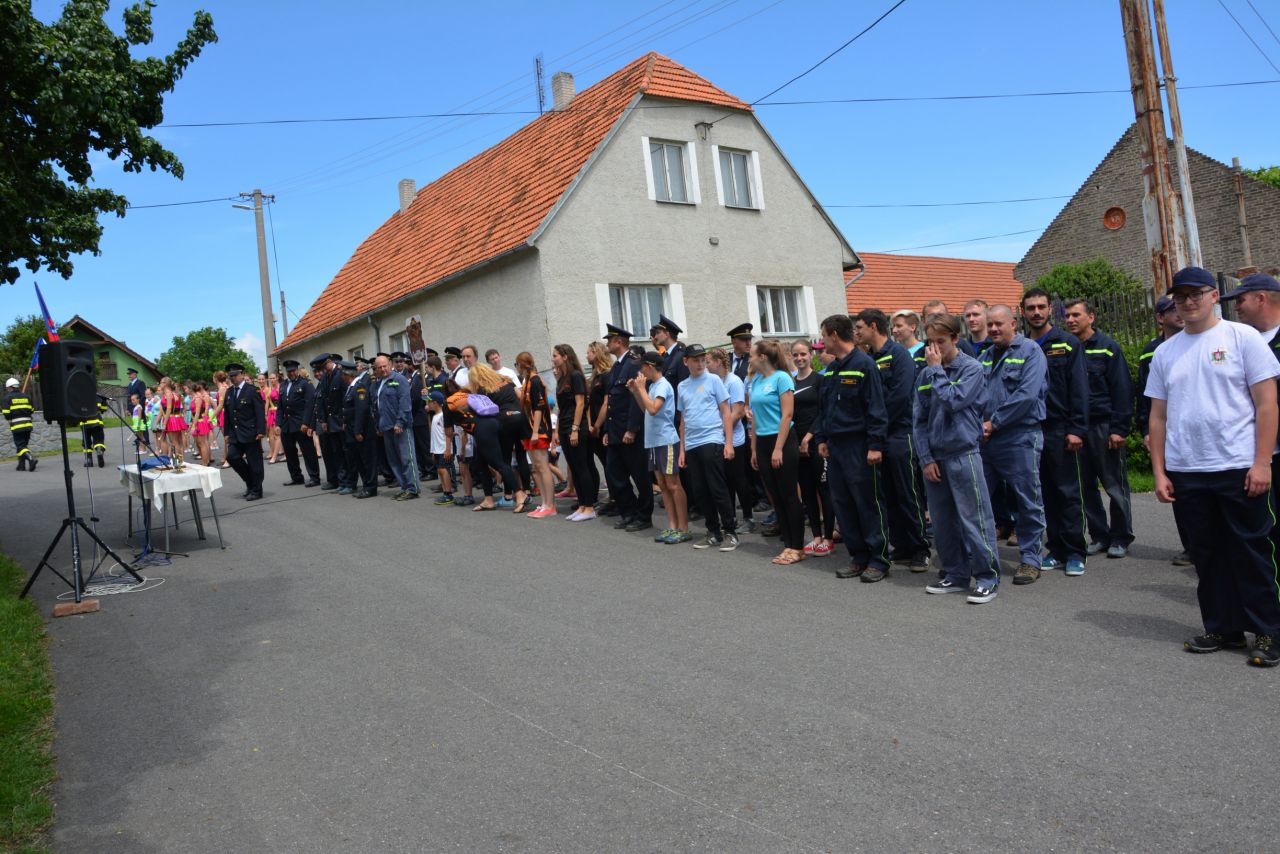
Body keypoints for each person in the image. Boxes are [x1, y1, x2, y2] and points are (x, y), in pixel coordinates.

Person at [1148, 266, 1280, 667]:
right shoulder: (1165, 352)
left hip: (1238, 466)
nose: (1188, 302)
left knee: (1252, 552)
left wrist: (1262, 463)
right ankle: (1224, 628)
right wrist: (1160, 472)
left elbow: (1267, 404)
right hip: (1188, 470)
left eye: (1196, 294)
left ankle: (1269, 631)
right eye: (1180, 296)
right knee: (1207, 555)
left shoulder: (1242, 338)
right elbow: (1158, 417)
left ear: (1213, 296)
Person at [916, 314, 1000, 604]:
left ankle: (987, 577)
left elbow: (954, 401)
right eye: (930, 342)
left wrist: (936, 370)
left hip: (963, 453)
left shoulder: (971, 368)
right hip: (935, 457)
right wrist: (926, 458)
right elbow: (919, 420)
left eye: (940, 341)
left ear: (955, 339)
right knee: (942, 522)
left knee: (974, 519)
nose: (934, 348)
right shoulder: (925, 374)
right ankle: (955, 573)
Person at [815, 315, 890, 580]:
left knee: (868, 503)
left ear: (835, 335)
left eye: (824, 336)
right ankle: (858, 557)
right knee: (843, 504)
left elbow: (877, 408)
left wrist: (875, 445)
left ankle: (878, 560)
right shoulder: (832, 370)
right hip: (836, 447)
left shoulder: (864, 365)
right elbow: (824, 409)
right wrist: (821, 438)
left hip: (860, 446)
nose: (822, 341)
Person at [1022, 287, 1090, 576]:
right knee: (1045, 492)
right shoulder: (1022, 346)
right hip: (1031, 429)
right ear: (1023, 312)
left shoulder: (1067, 343)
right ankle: (1056, 548)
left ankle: (1075, 552)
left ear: (1050, 309)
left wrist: (1077, 429)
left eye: (1041, 307)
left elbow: (1079, 389)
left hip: (1060, 429)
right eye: (1031, 308)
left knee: (1067, 491)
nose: (1036, 312)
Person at [855, 309, 930, 570]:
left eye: (860, 327)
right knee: (887, 493)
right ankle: (902, 545)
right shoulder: (868, 358)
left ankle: (920, 547)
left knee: (907, 492)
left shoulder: (898, 355)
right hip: (878, 436)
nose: (857, 332)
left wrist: (877, 423)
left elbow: (900, 396)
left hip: (899, 433)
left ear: (873, 327)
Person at [980, 305, 1049, 585]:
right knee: (980, 500)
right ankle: (983, 558)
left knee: (1027, 500)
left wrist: (993, 423)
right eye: (990, 325)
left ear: (1014, 324)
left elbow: (1026, 395)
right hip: (986, 439)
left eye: (999, 324)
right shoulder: (985, 356)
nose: (994, 329)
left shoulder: (1031, 352)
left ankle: (1031, 559)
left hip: (1020, 437)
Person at [1064, 298, 1134, 558]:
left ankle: (1121, 537)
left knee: (1114, 485)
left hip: (1103, 426)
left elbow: (1123, 390)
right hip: (1077, 428)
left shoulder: (1108, 348)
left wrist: (1119, 428)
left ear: (1091, 317)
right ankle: (1099, 535)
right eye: (1067, 316)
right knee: (1085, 487)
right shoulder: (1066, 348)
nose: (1070, 320)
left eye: (1076, 315)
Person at [1220, 272, 1280, 562]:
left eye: (1241, 300)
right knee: (1265, 527)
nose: (1236, 307)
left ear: (1261, 298)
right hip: (1254, 451)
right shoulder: (1240, 341)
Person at [748, 340, 805, 565]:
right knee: (776, 497)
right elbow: (755, 417)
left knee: (789, 495)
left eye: (752, 355)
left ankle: (797, 547)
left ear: (762, 357)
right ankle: (787, 545)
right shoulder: (756, 380)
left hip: (782, 440)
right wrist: (754, 448)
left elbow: (787, 414)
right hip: (762, 441)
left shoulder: (782, 378)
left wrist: (778, 448)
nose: (750, 358)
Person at [677, 344, 738, 551]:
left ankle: (730, 532)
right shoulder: (682, 386)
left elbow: (726, 411)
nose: (700, 363)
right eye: (695, 360)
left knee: (717, 488)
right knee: (700, 491)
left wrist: (728, 443)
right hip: (692, 444)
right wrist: (682, 450)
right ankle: (713, 532)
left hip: (712, 439)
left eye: (703, 359)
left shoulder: (713, 380)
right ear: (686, 361)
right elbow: (683, 420)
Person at [630, 350, 689, 543]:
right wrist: (636, 392)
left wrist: (641, 389)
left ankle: (683, 528)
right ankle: (672, 526)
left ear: (650, 367)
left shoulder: (663, 385)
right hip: (654, 441)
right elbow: (645, 409)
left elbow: (654, 409)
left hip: (666, 440)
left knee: (673, 484)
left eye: (642, 367)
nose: (640, 371)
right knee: (663, 485)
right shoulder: (653, 385)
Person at [602, 324, 652, 532]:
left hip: (630, 432)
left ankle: (644, 516)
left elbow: (635, 399)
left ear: (619, 342)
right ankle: (629, 512)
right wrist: (607, 430)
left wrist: (632, 429)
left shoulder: (633, 364)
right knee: (615, 474)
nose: (607, 344)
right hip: (615, 431)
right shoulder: (617, 366)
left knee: (640, 476)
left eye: (609, 340)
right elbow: (612, 401)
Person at [791, 340, 834, 557]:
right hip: (796, 444)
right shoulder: (790, 382)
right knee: (807, 491)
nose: (799, 358)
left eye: (803, 354)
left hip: (817, 442)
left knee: (824, 490)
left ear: (810, 355)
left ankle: (828, 537)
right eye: (796, 355)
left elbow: (823, 412)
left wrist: (809, 437)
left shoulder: (819, 380)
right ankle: (816, 536)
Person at [471, 363, 532, 508]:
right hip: (520, 417)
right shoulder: (506, 380)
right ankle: (527, 490)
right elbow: (521, 397)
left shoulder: (483, 389)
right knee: (522, 456)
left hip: (505, 420)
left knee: (505, 458)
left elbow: (485, 410)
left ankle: (509, 495)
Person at [448, 387, 518, 512]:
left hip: (482, 429)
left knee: (498, 464)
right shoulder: (476, 396)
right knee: (482, 464)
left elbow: (449, 432)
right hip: (494, 424)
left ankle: (520, 494)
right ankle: (488, 500)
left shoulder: (451, 403)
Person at [708, 348, 755, 533]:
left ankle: (748, 517)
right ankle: (731, 517)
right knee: (725, 480)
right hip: (717, 438)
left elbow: (738, 411)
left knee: (739, 479)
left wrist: (721, 430)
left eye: (708, 361)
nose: (706, 365)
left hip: (734, 439)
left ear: (718, 362)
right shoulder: (712, 381)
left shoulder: (733, 381)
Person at [554, 344, 598, 521]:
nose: (553, 359)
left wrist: (575, 429)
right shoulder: (562, 378)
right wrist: (557, 431)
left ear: (565, 356)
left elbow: (580, 403)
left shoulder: (575, 376)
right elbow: (561, 408)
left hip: (576, 427)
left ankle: (589, 507)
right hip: (564, 426)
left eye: (555, 355)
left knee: (582, 466)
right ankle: (581, 505)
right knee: (573, 466)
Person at [515, 352, 558, 518]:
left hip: (538, 431)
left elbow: (539, 408)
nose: (517, 368)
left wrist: (535, 432)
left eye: (517, 364)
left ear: (523, 364)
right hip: (528, 430)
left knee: (543, 466)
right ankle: (544, 503)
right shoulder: (527, 382)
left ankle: (550, 505)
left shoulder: (535, 381)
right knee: (536, 468)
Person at [372, 354, 418, 500]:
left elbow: (405, 403)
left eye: (385, 366)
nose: (383, 369)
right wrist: (378, 426)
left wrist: (400, 422)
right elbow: (376, 406)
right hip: (386, 427)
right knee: (394, 460)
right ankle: (404, 487)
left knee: (406, 458)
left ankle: (412, 488)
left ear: (390, 365)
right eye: (379, 367)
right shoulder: (378, 383)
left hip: (400, 427)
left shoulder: (399, 380)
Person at [223, 363, 265, 500]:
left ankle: (257, 490)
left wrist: (261, 430)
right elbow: (227, 414)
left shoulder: (252, 390)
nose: (233, 378)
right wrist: (226, 433)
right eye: (231, 376)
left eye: (235, 375)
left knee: (254, 463)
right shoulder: (229, 392)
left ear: (242, 374)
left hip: (251, 432)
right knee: (232, 457)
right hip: (235, 433)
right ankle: (250, 482)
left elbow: (259, 411)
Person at [278, 360, 321, 487]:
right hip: (287, 424)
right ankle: (296, 477)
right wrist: (278, 423)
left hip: (301, 423)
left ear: (297, 370)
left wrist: (306, 422)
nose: (291, 373)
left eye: (293, 371)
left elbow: (310, 404)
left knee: (308, 451)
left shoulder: (305, 383)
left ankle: (314, 477)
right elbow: (280, 406)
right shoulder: (284, 385)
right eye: (289, 371)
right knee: (290, 452)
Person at [585, 340, 614, 514]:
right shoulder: (595, 376)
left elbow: (606, 403)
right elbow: (590, 404)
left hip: (603, 427)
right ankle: (612, 497)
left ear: (597, 353)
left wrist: (596, 426)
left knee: (610, 464)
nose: (586, 355)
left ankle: (616, 498)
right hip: (594, 427)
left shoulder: (607, 375)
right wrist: (589, 424)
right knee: (605, 463)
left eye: (589, 352)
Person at [312, 354, 347, 491]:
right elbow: (323, 400)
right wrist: (323, 420)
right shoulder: (327, 377)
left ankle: (348, 482)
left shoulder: (340, 374)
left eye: (323, 367)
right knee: (337, 453)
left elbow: (345, 398)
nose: (322, 370)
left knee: (345, 453)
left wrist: (344, 419)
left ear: (329, 362)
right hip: (331, 422)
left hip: (341, 421)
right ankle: (342, 481)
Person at [343, 359, 378, 498]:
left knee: (367, 460)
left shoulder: (359, 387)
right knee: (359, 460)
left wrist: (358, 431)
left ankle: (370, 487)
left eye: (343, 374)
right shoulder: (351, 387)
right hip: (352, 429)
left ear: (348, 374)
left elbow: (361, 410)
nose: (341, 377)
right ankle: (366, 486)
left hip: (362, 431)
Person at [427, 392, 455, 505]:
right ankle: (445, 492)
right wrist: (433, 451)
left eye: (430, 402)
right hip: (437, 449)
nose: (428, 404)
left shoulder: (444, 416)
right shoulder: (434, 417)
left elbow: (449, 434)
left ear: (435, 403)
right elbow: (434, 436)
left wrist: (448, 449)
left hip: (444, 448)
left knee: (444, 470)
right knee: (440, 470)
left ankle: (449, 494)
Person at [2, 378, 35, 471]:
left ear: (10, 387)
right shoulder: (27, 397)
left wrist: (9, 419)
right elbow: (32, 410)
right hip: (28, 425)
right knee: (23, 445)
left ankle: (31, 458)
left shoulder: (7, 398)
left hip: (16, 425)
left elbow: (6, 413)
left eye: (7, 388)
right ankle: (21, 465)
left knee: (20, 445)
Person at [159, 378, 187, 462]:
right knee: (178, 442)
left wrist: (164, 423)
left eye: (161, 383)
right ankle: (181, 460)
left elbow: (168, 409)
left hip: (171, 419)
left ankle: (178, 462)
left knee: (174, 442)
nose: (160, 384)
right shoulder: (173, 394)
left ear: (165, 384)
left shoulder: (168, 394)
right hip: (177, 418)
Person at [189, 382, 214, 466]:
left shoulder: (198, 398)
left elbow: (197, 412)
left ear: (191, 389)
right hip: (198, 420)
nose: (185, 391)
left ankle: (205, 462)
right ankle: (205, 460)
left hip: (200, 421)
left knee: (202, 443)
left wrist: (193, 425)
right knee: (201, 443)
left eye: (186, 389)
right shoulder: (196, 397)